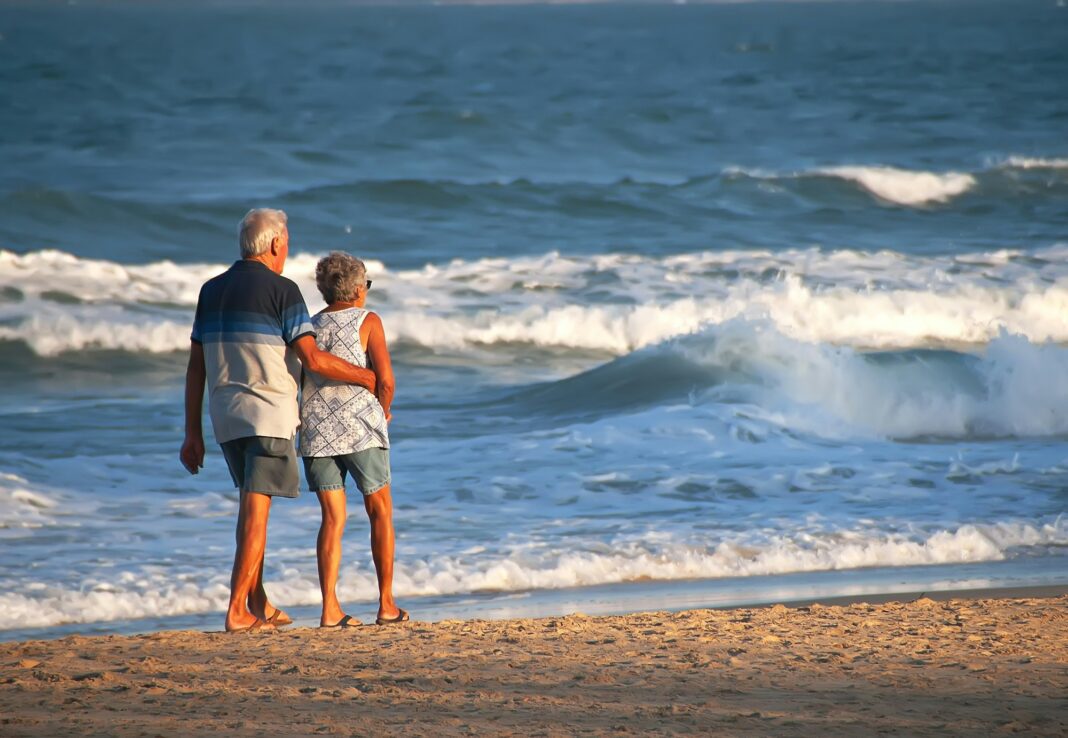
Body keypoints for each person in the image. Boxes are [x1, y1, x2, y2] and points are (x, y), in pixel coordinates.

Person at [180, 209, 378, 633]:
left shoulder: (210, 290)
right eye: (286, 243)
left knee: (253, 506)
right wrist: (365, 375)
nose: (286, 251)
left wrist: (191, 432)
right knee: (256, 513)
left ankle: (259, 602)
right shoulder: (282, 290)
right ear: (273, 245)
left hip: (224, 416)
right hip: (267, 414)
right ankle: (237, 610)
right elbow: (312, 358)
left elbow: (195, 367)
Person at [300, 251, 407, 627]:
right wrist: (385, 409)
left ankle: (330, 608)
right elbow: (386, 379)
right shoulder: (368, 320)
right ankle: (386, 604)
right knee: (380, 512)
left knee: (332, 519)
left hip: (315, 431)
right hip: (361, 426)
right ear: (359, 288)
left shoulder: (308, 326)